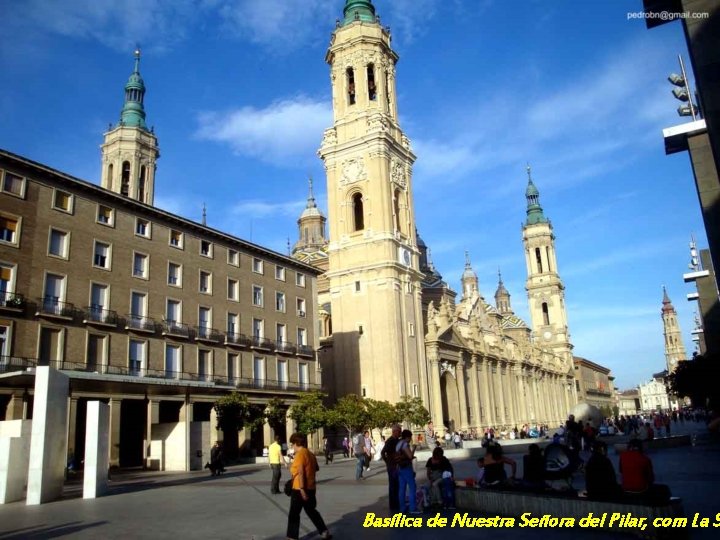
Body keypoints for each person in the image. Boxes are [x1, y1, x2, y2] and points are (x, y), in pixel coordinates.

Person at [286, 432, 332, 540]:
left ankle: (292, 537)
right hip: (311, 487)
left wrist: (302, 489)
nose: (292, 447)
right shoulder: (310, 454)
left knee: (294, 514)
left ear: (296, 443)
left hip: (299, 489)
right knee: (312, 511)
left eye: (292, 444)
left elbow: (301, 472)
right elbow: (316, 468)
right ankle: (324, 531)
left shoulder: (300, 454)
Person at [619, 439, 671, 504]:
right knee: (664, 489)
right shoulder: (645, 459)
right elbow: (651, 479)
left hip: (625, 488)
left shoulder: (623, 456)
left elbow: (621, 471)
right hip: (641, 489)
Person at [395, 429, 421, 514]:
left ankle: (402, 508)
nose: (410, 439)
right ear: (407, 437)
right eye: (410, 437)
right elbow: (410, 456)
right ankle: (413, 508)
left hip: (399, 467)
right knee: (412, 487)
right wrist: (413, 448)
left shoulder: (398, 444)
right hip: (406, 467)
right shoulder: (405, 444)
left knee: (402, 488)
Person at [381, 424, 401, 512]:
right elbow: (383, 452)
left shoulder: (397, 440)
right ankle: (393, 505)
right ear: (394, 432)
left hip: (396, 465)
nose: (400, 432)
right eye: (399, 431)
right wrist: (388, 462)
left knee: (397, 484)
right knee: (393, 485)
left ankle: (396, 502)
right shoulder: (390, 441)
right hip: (392, 466)